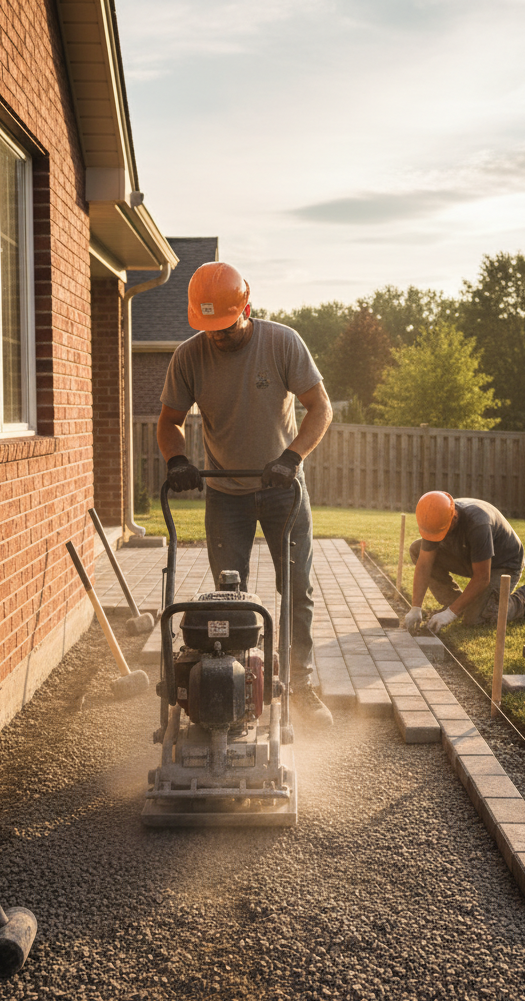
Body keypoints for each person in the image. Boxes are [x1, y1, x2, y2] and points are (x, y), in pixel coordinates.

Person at [157, 262, 334, 727]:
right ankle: (232, 687)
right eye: (208, 327)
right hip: (225, 494)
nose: (216, 336)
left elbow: (321, 408)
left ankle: (302, 685)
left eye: (225, 326)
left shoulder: (282, 342)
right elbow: (168, 420)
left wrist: (292, 458)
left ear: (246, 309)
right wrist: (177, 460)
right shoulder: (189, 357)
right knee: (228, 598)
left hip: (283, 490)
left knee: (295, 590)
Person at [403, 491, 525, 633]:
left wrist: (450, 614)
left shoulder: (478, 523)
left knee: (476, 618)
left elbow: (482, 578)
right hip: (470, 555)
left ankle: (523, 601)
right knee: (417, 550)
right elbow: (425, 564)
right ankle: (452, 601)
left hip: (502, 563)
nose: (436, 539)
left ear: (454, 517)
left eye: (442, 533)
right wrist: (416, 607)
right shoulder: (434, 517)